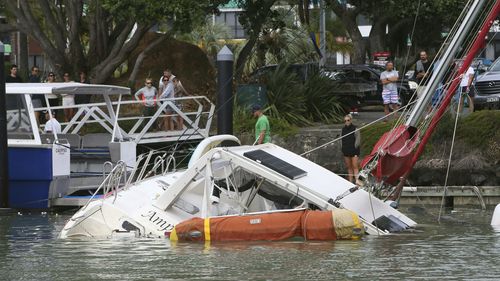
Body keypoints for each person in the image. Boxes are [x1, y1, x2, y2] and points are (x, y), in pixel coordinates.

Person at [341, 114, 360, 183]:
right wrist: (343, 149)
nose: (347, 122)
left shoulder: (355, 129)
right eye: (345, 121)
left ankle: (357, 180)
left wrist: (354, 149)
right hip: (346, 151)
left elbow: (358, 141)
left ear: (351, 120)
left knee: (355, 166)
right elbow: (342, 140)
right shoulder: (343, 129)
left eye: (348, 120)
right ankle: (350, 181)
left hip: (354, 151)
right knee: (349, 167)